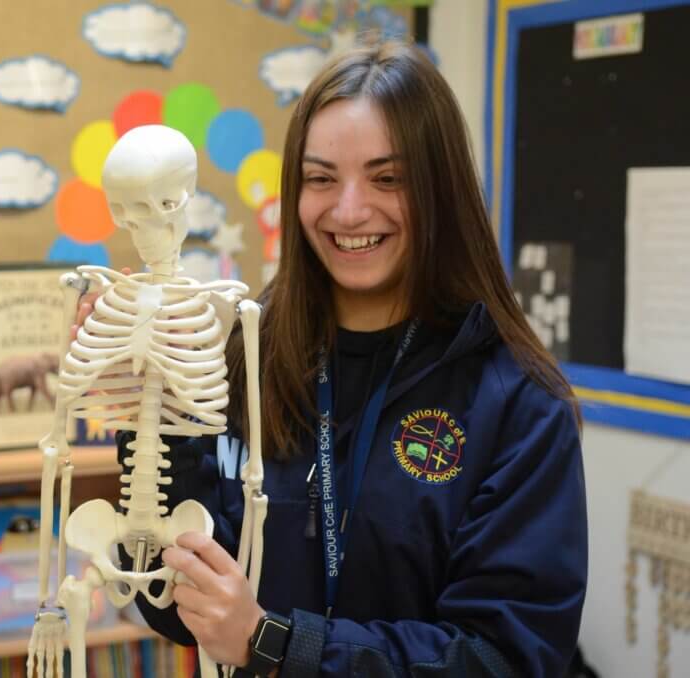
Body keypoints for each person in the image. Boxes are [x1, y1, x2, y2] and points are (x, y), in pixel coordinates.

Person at [86, 40, 587, 678]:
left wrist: (274, 642)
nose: (348, 211)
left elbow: (507, 658)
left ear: (441, 189)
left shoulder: (518, 401)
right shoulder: (250, 353)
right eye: (321, 178)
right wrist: (147, 402)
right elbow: (173, 604)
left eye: (388, 178)